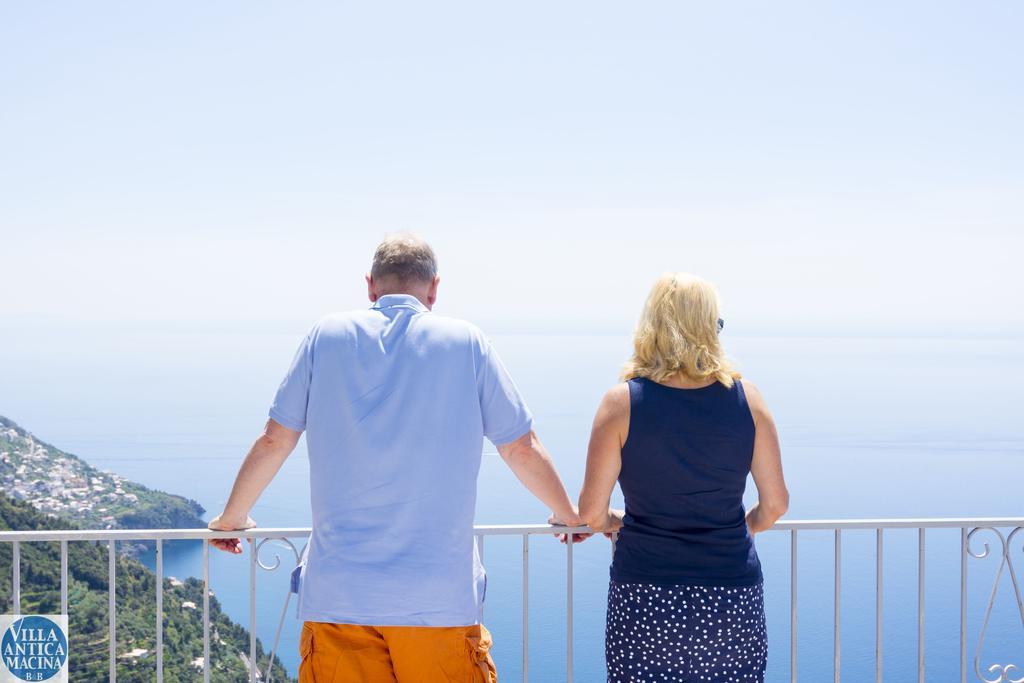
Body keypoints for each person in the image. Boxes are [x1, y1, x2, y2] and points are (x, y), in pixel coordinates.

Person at [207, 233, 582, 682]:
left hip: (338, 596)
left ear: (370, 286)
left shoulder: (325, 336)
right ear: (434, 288)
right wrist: (567, 514)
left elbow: (274, 440)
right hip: (438, 601)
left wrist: (233, 517)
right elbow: (519, 447)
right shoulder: (468, 342)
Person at [578, 272, 789, 683]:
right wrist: (737, 529)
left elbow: (590, 513)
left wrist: (614, 524)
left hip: (646, 594)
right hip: (731, 594)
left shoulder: (621, 404)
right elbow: (776, 504)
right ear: (709, 330)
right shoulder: (750, 401)